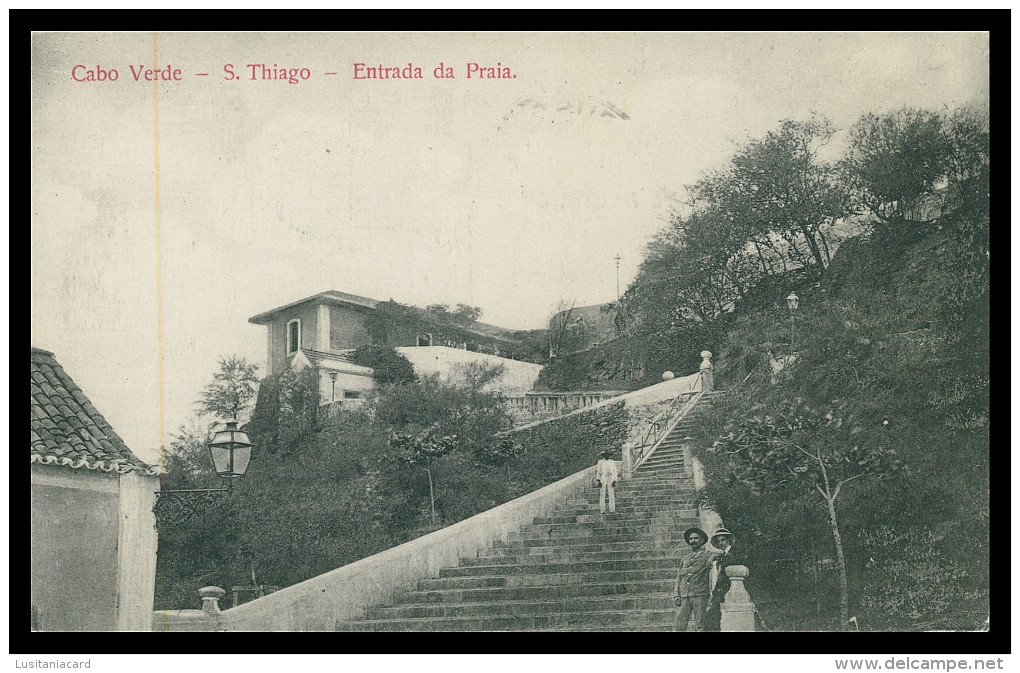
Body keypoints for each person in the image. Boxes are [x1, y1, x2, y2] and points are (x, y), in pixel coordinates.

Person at [674, 526, 719, 632]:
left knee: (700, 625)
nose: (693, 541)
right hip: (684, 595)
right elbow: (679, 577)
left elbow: (722, 554)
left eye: (696, 538)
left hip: (700, 594)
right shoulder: (685, 558)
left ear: (702, 540)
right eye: (691, 539)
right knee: (679, 624)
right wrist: (676, 593)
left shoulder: (707, 555)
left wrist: (712, 558)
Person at [705, 526, 738, 631]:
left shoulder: (732, 553)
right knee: (712, 615)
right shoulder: (723, 554)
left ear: (728, 540)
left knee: (712, 615)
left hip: (729, 588)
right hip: (720, 589)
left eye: (723, 540)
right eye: (718, 541)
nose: (720, 543)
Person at [595, 450, 619, 514]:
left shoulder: (612, 462)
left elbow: (614, 471)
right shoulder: (600, 462)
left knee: (611, 493)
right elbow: (598, 471)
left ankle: (612, 509)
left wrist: (614, 480)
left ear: (609, 455)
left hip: (610, 478)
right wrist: (598, 480)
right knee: (602, 494)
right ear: (603, 455)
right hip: (603, 477)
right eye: (605, 454)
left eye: (607, 454)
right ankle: (602, 510)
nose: (606, 456)